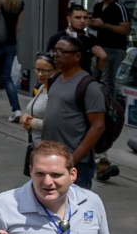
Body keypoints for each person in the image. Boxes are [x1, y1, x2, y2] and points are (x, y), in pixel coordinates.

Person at [41, 37, 107, 189]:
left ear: (77, 56)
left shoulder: (88, 86)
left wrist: (73, 159)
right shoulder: (56, 78)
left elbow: (98, 126)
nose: (56, 55)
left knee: (74, 209)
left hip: (76, 165)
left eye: (62, 51)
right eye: (54, 51)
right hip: (51, 160)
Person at [90, 0, 131, 94]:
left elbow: (126, 30)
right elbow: (96, 26)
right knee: (95, 79)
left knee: (108, 81)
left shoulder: (119, 6)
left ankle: (110, 109)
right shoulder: (98, 6)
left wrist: (104, 25)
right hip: (100, 48)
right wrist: (91, 23)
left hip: (115, 49)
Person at [17, 53, 56, 173]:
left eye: (45, 71)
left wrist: (31, 122)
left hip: (50, 150)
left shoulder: (56, 93)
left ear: (56, 70)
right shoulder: (41, 88)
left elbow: (58, 123)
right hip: (36, 147)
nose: (40, 74)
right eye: (37, 70)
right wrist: (24, 118)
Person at [45, 3, 106, 77]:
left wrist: (103, 58)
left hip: (85, 80)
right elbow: (49, 62)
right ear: (69, 19)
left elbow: (99, 68)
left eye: (85, 18)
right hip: (63, 79)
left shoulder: (92, 39)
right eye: (78, 18)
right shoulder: (56, 38)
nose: (82, 21)